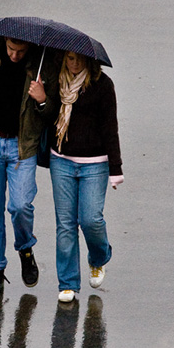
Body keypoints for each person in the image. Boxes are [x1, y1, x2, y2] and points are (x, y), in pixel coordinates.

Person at [0, 35, 59, 295]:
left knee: (20, 205)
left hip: (22, 146)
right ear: (5, 40)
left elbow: (52, 111)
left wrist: (41, 99)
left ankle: (25, 248)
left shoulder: (42, 63)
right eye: (11, 49)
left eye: (20, 51)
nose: (15, 55)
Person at [48, 51, 123, 303]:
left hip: (94, 164)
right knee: (66, 224)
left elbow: (110, 127)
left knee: (90, 219)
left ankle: (99, 257)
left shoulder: (102, 85)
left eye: (80, 59)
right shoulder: (56, 82)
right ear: (63, 59)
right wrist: (40, 100)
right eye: (70, 58)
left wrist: (116, 167)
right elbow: (47, 117)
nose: (75, 63)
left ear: (90, 60)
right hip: (62, 162)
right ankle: (68, 282)